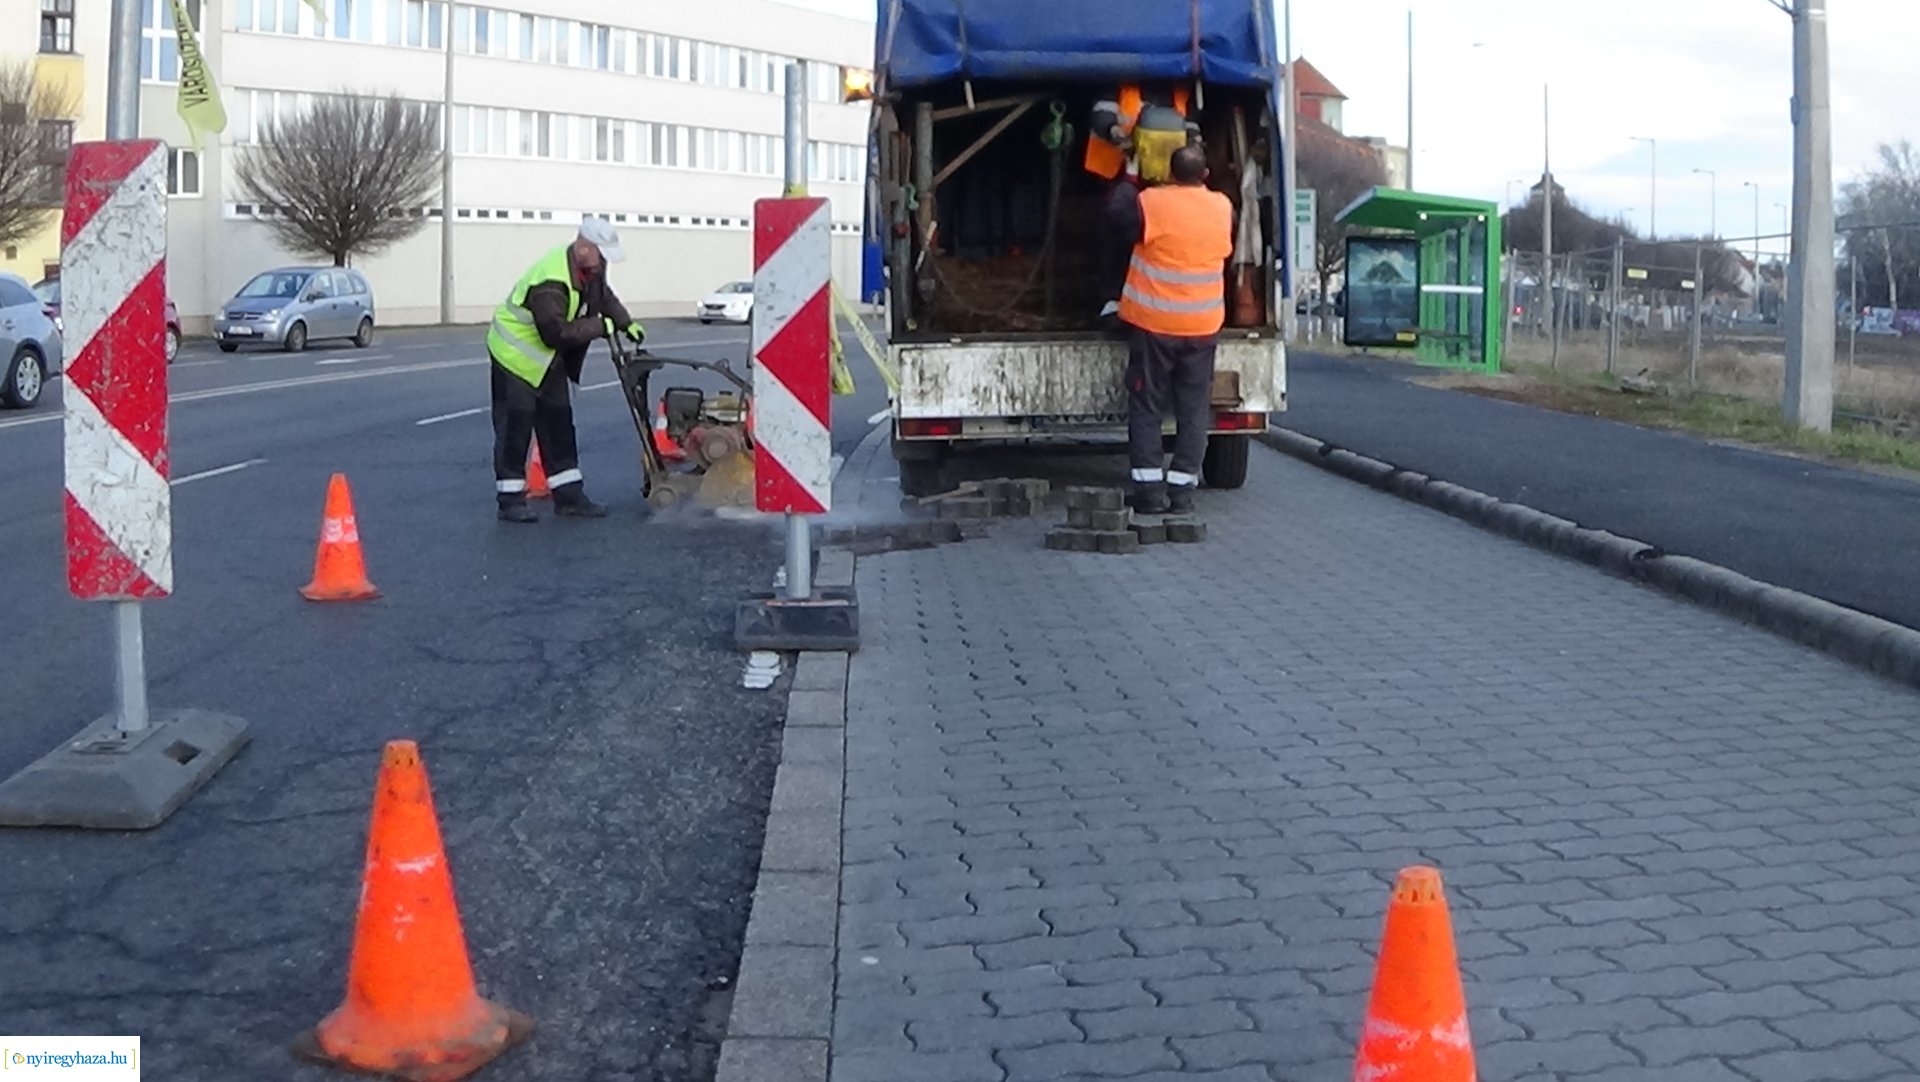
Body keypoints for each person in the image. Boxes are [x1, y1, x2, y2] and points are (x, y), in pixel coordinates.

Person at [486, 217, 645, 523]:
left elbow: (604, 297)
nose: (603, 263)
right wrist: (602, 325)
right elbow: (555, 333)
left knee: (559, 423)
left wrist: (626, 323)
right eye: (602, 253)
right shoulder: (550, 281)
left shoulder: (590, 269)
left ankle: (569, 496)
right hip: (514, 357)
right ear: (584, 247)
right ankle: (510, 501)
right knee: (515, 428)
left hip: (546, 359)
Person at [1109, 143, 1233, 516]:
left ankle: (1149, 492)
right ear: (1205, 175)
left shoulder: (1152, 202)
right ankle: (1182, 491)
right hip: (1202, 326)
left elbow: (1116, 220)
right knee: (1193, 410)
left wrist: (1130, 176)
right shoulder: (1223, 207)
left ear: (1169, 172)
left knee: (1147, 406)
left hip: (1155, 325)